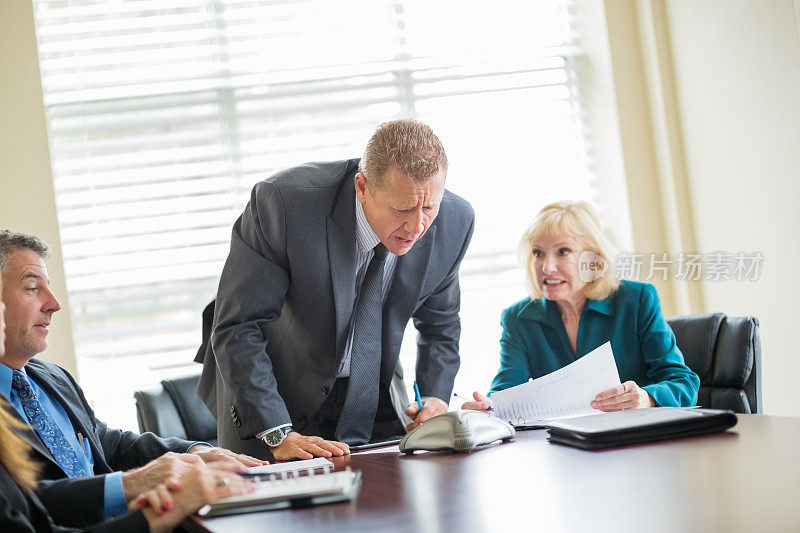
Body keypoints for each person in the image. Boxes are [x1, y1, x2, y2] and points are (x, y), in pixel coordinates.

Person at [197, 118, 475, 460]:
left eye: (429, 207)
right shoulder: (284, 206)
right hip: (275, 394)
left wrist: (435, 397)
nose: (417, 226)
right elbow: (239, 326)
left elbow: (441, 324)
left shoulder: (455, 222)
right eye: (402, 208)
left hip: (374, 393)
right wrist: (277, 432)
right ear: (362, 187)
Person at [0, 230, 265, 528]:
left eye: (48, 287)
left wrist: (195, 452)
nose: (53, 304)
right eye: (33, 288)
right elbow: (22, 508)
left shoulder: (52, 377)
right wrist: (131, 484)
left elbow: (107, 444)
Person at [463, 200, 699, 413]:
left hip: (638, 442)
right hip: (567, 447)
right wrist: (487, 408)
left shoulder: (636, 300)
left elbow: (682, 382)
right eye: (538, 253)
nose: (547, 267)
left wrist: (647, 397)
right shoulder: (519, 319)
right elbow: (506, 392)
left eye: (562, 251)